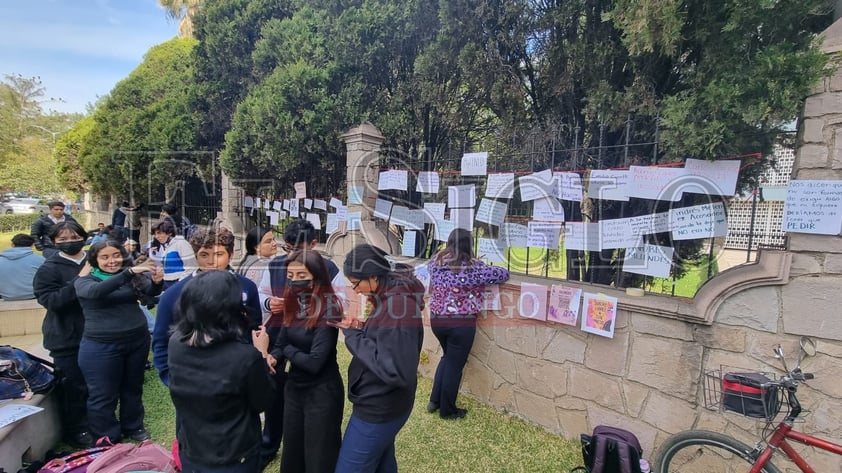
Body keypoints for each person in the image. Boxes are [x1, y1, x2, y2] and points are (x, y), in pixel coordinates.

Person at [256, 218, 347, 468]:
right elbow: (283, 337)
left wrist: (282, 350)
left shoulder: (328, 308)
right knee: (293, 450)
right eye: (290, 275)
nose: (294, 281)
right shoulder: (294, 301)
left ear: (315, 277)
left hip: (322, 391)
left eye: (301, 275)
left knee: (319, 454)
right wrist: (273, 355)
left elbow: (315, 362)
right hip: (295, 388)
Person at [168, 271, 275, 473]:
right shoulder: (244, 357)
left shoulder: (176, 342)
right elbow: (262, 402)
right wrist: (261, 352)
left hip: (192, 448)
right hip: (233, 455)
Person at [332, 244, 425, 473]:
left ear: (373, 276)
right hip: (384, 402)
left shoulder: (398, 305)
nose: (355, 290)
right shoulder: (389, 297)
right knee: (382, 463)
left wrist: (353, 337)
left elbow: (396, 369)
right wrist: (362, 328)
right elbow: (387, 340)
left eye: (356, 283)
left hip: (381, 407)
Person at [74, 241, 164, 443]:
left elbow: (148, 293)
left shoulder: (130, 278)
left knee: (132, 387)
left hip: (136, 341)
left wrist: (156, 283)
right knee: (103, 394)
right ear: (94, 260)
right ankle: (106, 435)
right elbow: (97, 293)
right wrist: (129, 272)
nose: (112, 261)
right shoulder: (85, 282)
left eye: (116, 255)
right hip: (101, 346)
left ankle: (133, 426)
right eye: (105, 257)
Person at [152, 227, 262, 387]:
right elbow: (161, 341)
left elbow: (254, 329)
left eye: (219, 254)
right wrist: (170, 378)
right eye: (204, 255)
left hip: (237, 374)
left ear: (230, 255)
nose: (211, 261)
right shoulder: (175, 294)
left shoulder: (246, 287)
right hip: (193, 378)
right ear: (196, 256)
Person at [426, 228, 510, 419]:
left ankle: (434, 402)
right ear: (469, 245)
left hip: (437, 319)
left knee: (447, 358)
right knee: (454, 366)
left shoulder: (435, 262)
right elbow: (503, 274)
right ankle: (448, 411)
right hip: (461, 324)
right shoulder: (475, 269)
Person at [32, 221, 93, 448]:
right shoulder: (49, 268)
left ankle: (98, 422)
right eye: (63, 239)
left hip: (97, 333)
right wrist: (79, 280)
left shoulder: (96, 259)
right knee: (73, 386)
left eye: (74, 237)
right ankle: (77, 430)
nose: (70, 242)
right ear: (54, 242)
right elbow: (52, 301)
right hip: (67, 338)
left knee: (96, 384)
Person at [149, 220, 195, 289]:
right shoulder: (167, 247)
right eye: (155, 234)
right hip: (167, 282)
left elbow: (192, 267)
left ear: (169, 233)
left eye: (159, 233)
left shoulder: (181, 243)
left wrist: (179, 284)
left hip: (178, 282)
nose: (157, 237)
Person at [0, 234, 45, 300]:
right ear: (32, 245)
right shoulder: (40, 260)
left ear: (12, 244)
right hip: (33, 296)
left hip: (6, 296)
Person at [236, 227, 277, 298]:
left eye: (274, 239)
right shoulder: (260, 265)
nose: (274, 243)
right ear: (256, 247)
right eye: (268, 241)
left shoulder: (249, 259)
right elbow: (255, 294)